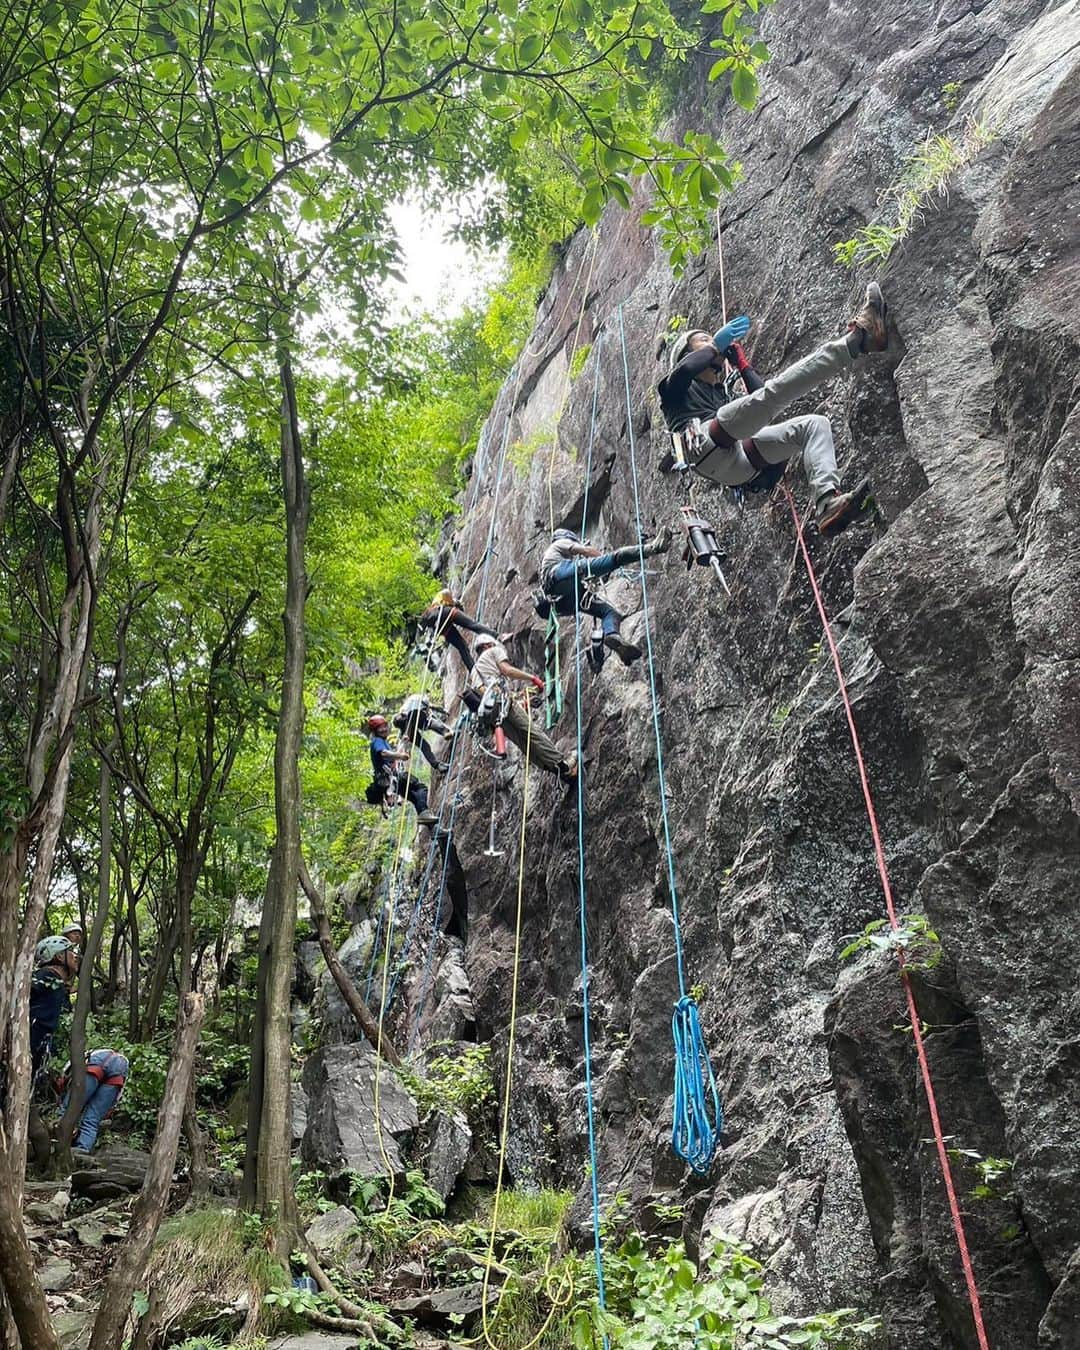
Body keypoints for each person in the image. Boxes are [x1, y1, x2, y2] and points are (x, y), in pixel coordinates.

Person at [657, 282, 890, 535]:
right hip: (700, 444)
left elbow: (763, 402)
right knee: (759, 401)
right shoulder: (674, 390)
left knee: (813, 425)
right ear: (686, 354)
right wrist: (716, 346)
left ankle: (827, 503)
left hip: (738, 465)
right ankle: (857, 341)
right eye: (703, 340)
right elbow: (687, 370)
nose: (712, 340)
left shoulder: (721, 393)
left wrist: (742, 365)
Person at [539, 526, 672, 665]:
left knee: (609, 612)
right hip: (560, 575)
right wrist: (604, 561)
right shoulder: (559, 544)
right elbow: (586, 551)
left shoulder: (554, 559)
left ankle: (612, 635)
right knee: (616, 557)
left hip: (562, 601)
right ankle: (654, 547)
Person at [469, 634, 577, 781]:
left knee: (523, 742)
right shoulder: (494, 651)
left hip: (492, 714)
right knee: (532, 733)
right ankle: (563, 765)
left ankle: (555, 771)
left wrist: (523, 698)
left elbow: (481, 690)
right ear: (488, 645)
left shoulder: (475, 670)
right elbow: (507, 670)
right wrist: (532, 678)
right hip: (503, 703)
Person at [367, 715, 438, 824]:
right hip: (392, 779)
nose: (384, 729)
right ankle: (424, 815)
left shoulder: (383, 742)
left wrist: (403, 743)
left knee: (415, 798)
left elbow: (391, 757)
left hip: (391, 782)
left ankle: (435, 830)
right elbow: (384, 754)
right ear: (375, 731)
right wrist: (401, 756)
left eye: (385, 726)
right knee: (420, 788)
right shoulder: (377, 741)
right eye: (380, 728)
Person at [60, 1049, 130, 1156]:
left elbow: (70, 1071)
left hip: (96, 1063)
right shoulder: (117, 1058)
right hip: (120, 1069)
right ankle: (82, 1150)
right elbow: (119, 1093)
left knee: (68, 1108)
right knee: (92, 1119)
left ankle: (57, 1141)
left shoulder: (93, 1053)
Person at [29, 936, 79, 1082]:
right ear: (58, 956)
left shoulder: (58, 986)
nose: (75, 956)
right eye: (70, 951)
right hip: (30, 1046)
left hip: (42, 1052)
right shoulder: (44, 976)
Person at [417, 588, 501, 673]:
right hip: (445, 613)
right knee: (473, 625)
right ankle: (498, 636)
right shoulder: (440, 601)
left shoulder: (431, 611)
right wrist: (454, 604)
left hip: (440, 628)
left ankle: (474, 673)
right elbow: (446, 591)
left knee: (462, 647)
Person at [393, 693, 451, 773]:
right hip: (414, 716)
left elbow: (401, 742)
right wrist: (444, 711)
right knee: (429, 723)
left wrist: (403, 751)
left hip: (408, 724)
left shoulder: (410, 704)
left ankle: (437, 765)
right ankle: (445, 732)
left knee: (423, 745)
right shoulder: (418, 700)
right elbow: (433, 707)